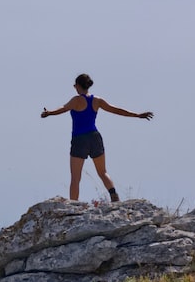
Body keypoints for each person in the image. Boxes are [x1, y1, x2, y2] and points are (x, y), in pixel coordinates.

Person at [40, 73, 153, 202]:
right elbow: (116, 110)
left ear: (77, 85)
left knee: (75, 177)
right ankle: (113, 194)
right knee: (103, 172)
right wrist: (137, 115)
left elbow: (63, 109)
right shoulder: (97, 100)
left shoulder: (76, 100)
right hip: (94, 137)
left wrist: (49, 113)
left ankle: (73, 205)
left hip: (79, 139)